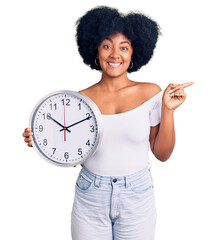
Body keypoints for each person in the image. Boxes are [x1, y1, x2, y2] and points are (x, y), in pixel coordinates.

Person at [22, 6, 194, 240]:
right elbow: (68, 147)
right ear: (96, 51)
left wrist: (167, 110)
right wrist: (39, 139)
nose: (115, 54)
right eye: (107, 46)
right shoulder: (78, 100)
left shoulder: (151, 93)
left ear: (134, 54)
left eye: (123, 47)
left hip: (137, 195)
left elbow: (162, 154)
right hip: (90, 195)